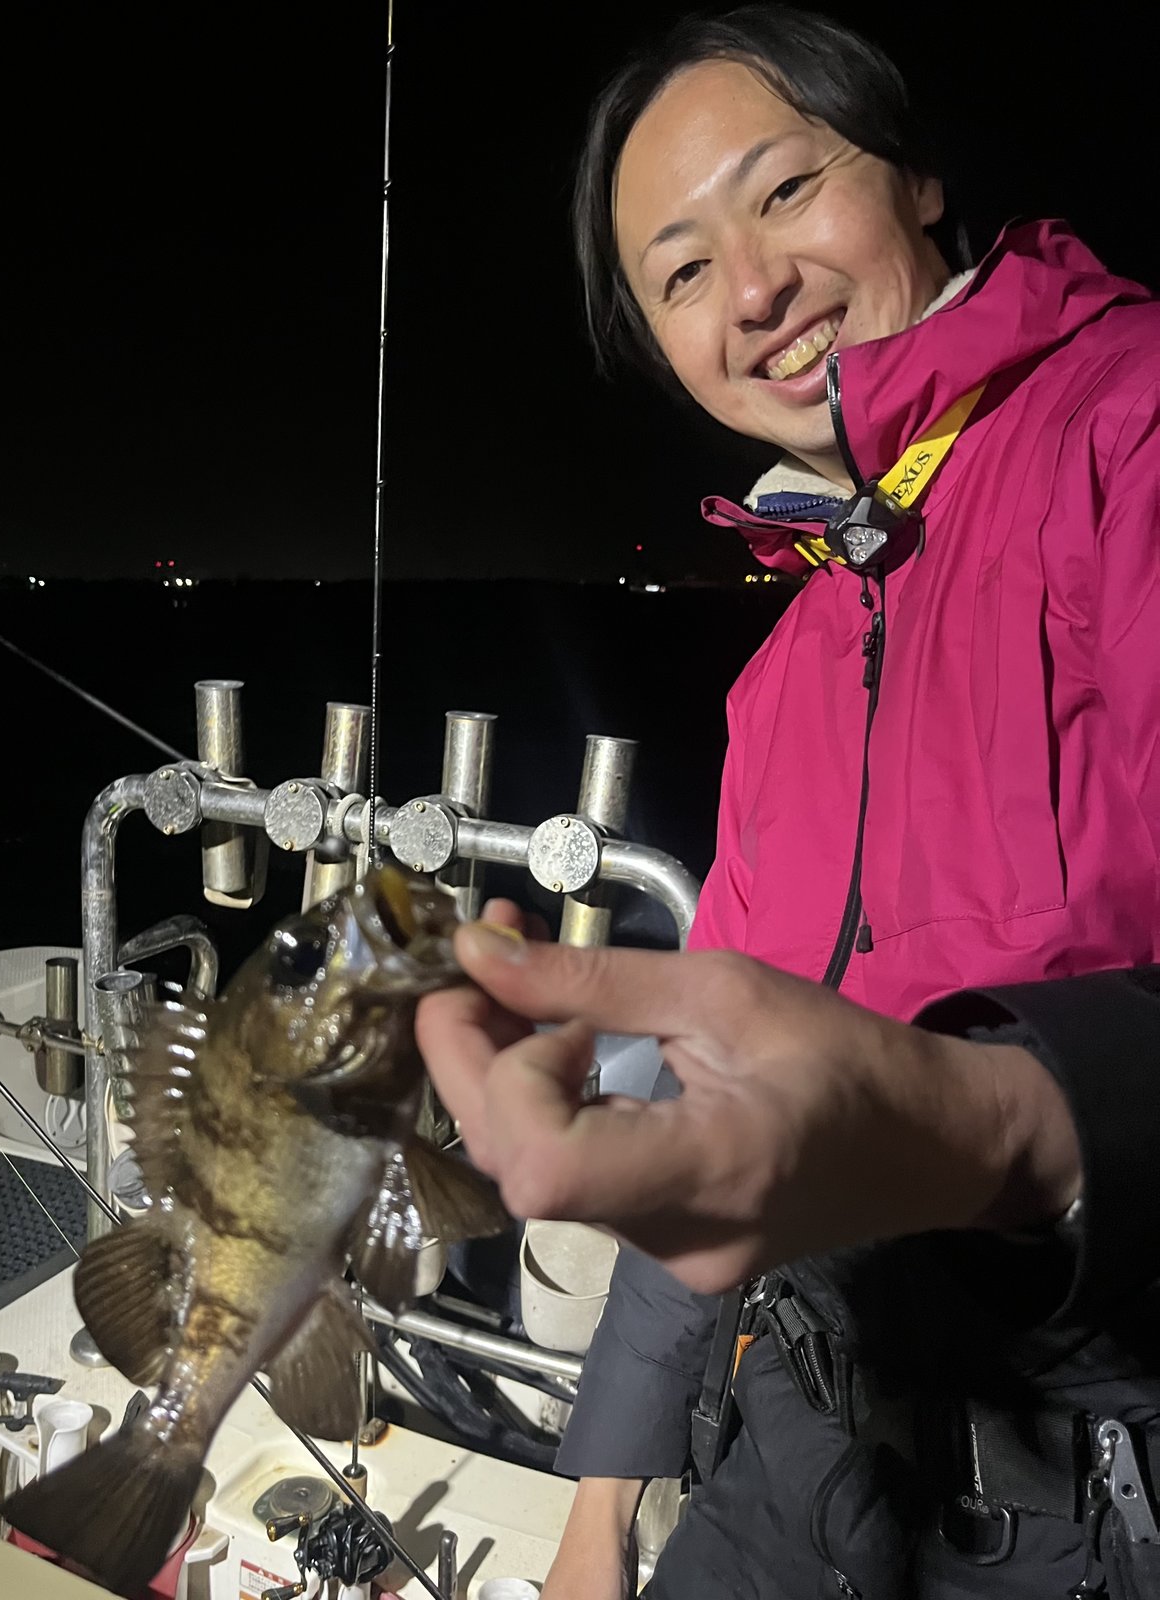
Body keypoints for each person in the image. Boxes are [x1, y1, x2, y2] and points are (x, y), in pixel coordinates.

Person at [417, 6, 1160, 1597]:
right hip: (796, 1444)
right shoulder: (785, 666)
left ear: (919, 178)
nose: (754, 290)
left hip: (1091, 1502)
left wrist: (998, 1122)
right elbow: (712, 1113)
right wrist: (601, 1507)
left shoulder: (1133, 425)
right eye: (684, 272)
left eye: (784, 191)